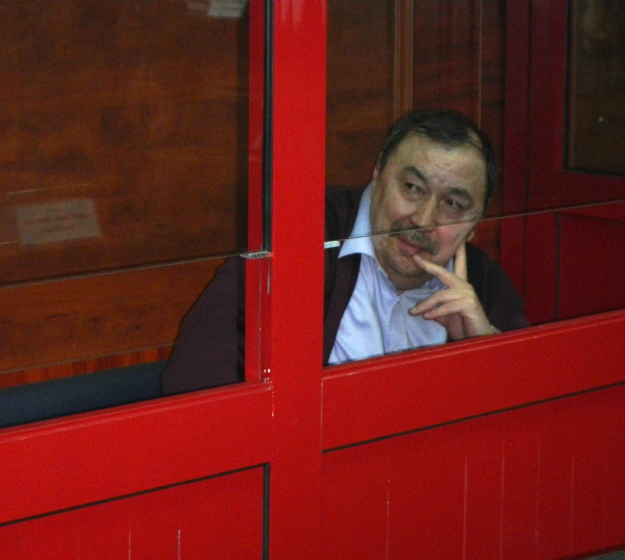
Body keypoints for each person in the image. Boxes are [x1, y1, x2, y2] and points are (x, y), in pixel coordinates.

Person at [162, 109, 528, 395]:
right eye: (412, 188)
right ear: (378, 172)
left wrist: (485, 348)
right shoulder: (301, 238)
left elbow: (530, 420)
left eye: (452, 204)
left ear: (476, 224)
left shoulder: (483, 287)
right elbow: (196, 381)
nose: (423, 219)